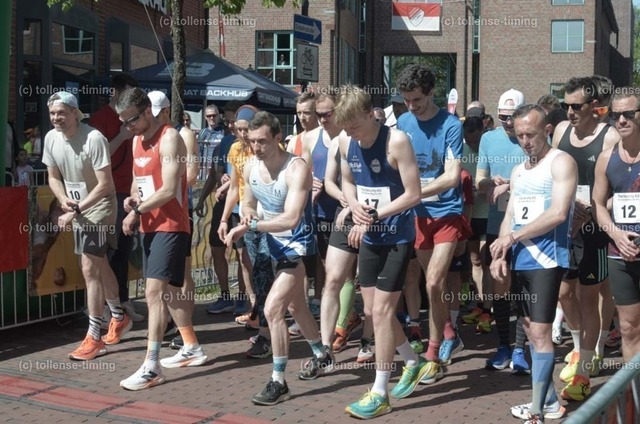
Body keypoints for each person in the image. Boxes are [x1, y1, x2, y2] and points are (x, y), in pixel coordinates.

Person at [333, 85, 423, 419]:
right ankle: (412, 360)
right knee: (372, 311)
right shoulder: (346, 142)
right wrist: (353, 204)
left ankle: (380, 391)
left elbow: (413, 194)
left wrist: (374, 215)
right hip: (370, 237)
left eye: (354, 126)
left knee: (383, 312)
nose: (351, 133)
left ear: (370, 114)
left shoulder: (396, 141)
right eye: (345, 128)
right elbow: (347, 180)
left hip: (397, 236)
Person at [223, 111, 322, 405]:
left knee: (273, 309)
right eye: (252, 141)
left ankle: (279, 381)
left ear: (278, 138)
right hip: (271, 243)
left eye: (263, 141)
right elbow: (248, 202)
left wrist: (250, 227)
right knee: (297, 306)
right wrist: (248, 215)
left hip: (297, 247)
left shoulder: (296, 168)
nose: (256, 147)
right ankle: (321, 354)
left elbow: (291, 219)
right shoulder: (251, 166)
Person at [490, 104, 576, 423]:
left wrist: (511, 238)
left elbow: (558, 213)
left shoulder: (561, 162)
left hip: (547, 259)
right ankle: (549, 401)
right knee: (528, 329)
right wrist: (500, 252)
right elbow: (511, 214)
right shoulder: (519, 170)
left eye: (531, 134)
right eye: (520, 135)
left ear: (547, 130)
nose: (525, 141)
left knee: (540, 334)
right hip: (520, 260)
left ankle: (538, 411)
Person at [117, 88, 207, 391]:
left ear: (147, 112)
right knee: (169, 291)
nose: (128, 127)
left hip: (172, 225)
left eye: (131, 120)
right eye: (123, 122)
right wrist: (132, 199)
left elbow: (169, 189)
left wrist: (136, 212)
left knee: (153, 292)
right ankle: (191, 346)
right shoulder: (135, 141)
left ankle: (151, 366)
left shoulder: (170, 138)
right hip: (149, 225)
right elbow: (137, 182)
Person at [43, 91, 130, 360]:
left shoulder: (94, 138)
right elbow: (53, 177)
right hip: (77, 208)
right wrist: (63, 200)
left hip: (100, 207)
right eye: (52, 113)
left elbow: (105, 185)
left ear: (75, 113)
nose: (56, 118)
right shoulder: (51, 138)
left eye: (61, 113)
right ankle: (119, 317)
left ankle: (94, 336)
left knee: (89, 266)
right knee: (100, 264)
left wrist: (76, 209)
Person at [396, 64, 469, 373]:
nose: (411, 106)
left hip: (447, 213)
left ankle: (433, 353)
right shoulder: (403, 122)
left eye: (417, 100)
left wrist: (414, 191)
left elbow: (452, 177)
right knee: (431, 285)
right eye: (406, 100)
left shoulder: (451, 125)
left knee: (435, 281)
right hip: (418, 215)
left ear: (431, 93)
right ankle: (450, 332)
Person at [553, 77, 620, 402]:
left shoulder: (609, 136)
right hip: (565, 224)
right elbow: (552, 173)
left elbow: (618, 187)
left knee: (588, 295)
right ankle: (580, 348)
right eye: (565, 105)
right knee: (564, 293)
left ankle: (584, 369)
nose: (570, 112)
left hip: (594, 227)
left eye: (576, 106)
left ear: (594, 107)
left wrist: (592, 211)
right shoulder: (560, 131)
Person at [475, 89, 528, 372]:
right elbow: (479, 180)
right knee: (500, 283)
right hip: (498, 223)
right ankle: (504, 346)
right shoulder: (488, 139)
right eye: (502, 117)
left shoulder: (530, 138)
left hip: (528, 225)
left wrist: (511, 184)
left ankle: (520, 349)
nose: (507, 122)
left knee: (523, 288)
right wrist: (490, 183)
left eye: (512, 117)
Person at [146, 91, 201, 351]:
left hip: (178, 211)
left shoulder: (182, 134)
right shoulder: (147, 137)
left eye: (156, 114)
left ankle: (184, 328)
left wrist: (166, 187)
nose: (152, 119)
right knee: (161, 281)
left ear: (166, 111)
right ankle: (171, 323)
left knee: (182, 274)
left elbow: (191, 174)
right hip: (154, 211)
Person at [89, 73, 143, 322]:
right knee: (108, 252)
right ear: (115, 93)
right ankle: (104, 306)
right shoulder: (100, 119)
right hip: (108, 193)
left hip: (129, 192)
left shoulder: (135, 118)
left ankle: (122, 301)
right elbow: (96, 158)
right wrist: (121, 136)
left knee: (123, 250)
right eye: (128, 93)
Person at [592, 89, 640, 364]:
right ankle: (634, 388)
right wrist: (616, 234)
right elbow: (598, 205)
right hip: (619, 253)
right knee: (629, 328)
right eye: (615, 115)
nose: (621, 120)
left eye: (628, 114)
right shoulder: (606, 158)